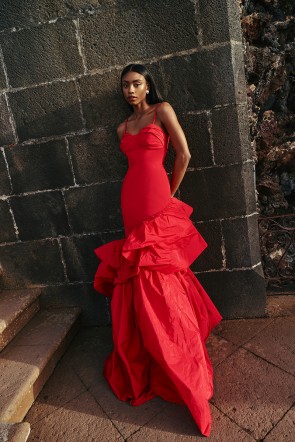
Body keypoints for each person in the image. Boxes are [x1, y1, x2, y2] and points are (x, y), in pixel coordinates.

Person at [94, 64, 222, 437]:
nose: (130, 91)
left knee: (160, 270)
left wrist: (169, 195)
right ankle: (149, 348)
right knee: (136, 270)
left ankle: (178, 353)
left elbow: (183, 155)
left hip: (156, 197)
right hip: (130, 200)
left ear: (148, 85)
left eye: (136, 84)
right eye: (124, 86)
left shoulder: (162, 111)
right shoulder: (122, 128)